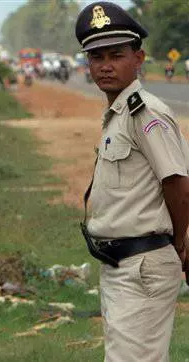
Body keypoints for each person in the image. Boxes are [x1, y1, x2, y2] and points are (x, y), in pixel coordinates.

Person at [76, 2, 189, 361]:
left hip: (143, 263)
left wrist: (179, 240)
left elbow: (178, 184)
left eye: (116, 55)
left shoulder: (145, 112)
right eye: (96, 57)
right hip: (121, 264)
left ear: (138, 58)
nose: (105, 65)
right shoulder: (119, 113)